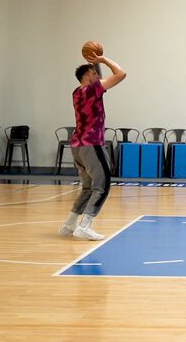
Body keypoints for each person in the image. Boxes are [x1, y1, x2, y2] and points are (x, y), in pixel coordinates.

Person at [59, 53, 126, 240]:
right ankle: (84, 226)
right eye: (94, 72)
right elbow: (121, 74)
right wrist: (103, 59)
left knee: (87, 187)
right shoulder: (92, 90)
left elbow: (103, 81)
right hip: (92, 144)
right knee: (102, 185)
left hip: (77, 145)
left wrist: (95, 63)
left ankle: (69, 224)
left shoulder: (77, 92)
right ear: (87, 75)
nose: (98, 74)